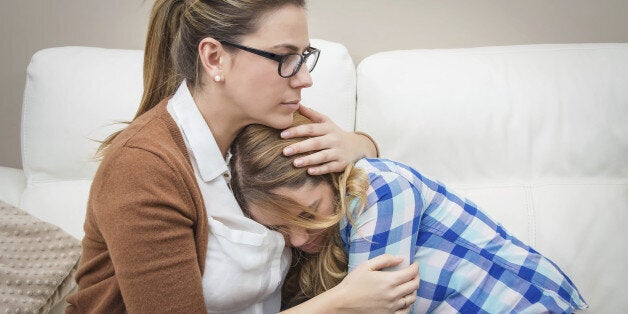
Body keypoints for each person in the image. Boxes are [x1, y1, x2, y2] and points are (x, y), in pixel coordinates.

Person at [66, 0, 420, 313]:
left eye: (304, 57)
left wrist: (358, 145)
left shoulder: (256, 132)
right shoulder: (143, 170)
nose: (304, 79)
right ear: (214, 58)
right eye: (284, 57)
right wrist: (339, 303)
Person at [229, 113, 589, 313]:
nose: (298, 240)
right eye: (278, 227)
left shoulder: (379, 189)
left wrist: (338, 301)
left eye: (309, 215)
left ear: (332, 175)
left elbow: (377, 309)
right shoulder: (308, 246)